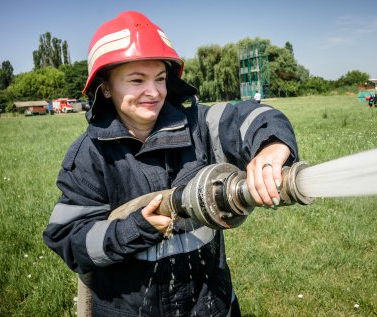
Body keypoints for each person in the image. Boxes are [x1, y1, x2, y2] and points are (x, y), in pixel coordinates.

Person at [43, 11, 298, 317]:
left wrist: (272, 145)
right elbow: (68, 238)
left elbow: (252, 116)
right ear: (106, 87)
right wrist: (134, 228)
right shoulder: (90, 155)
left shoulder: (197, 126)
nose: (154, 92)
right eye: (137, 80)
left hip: (210, 307)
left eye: (160, 79)